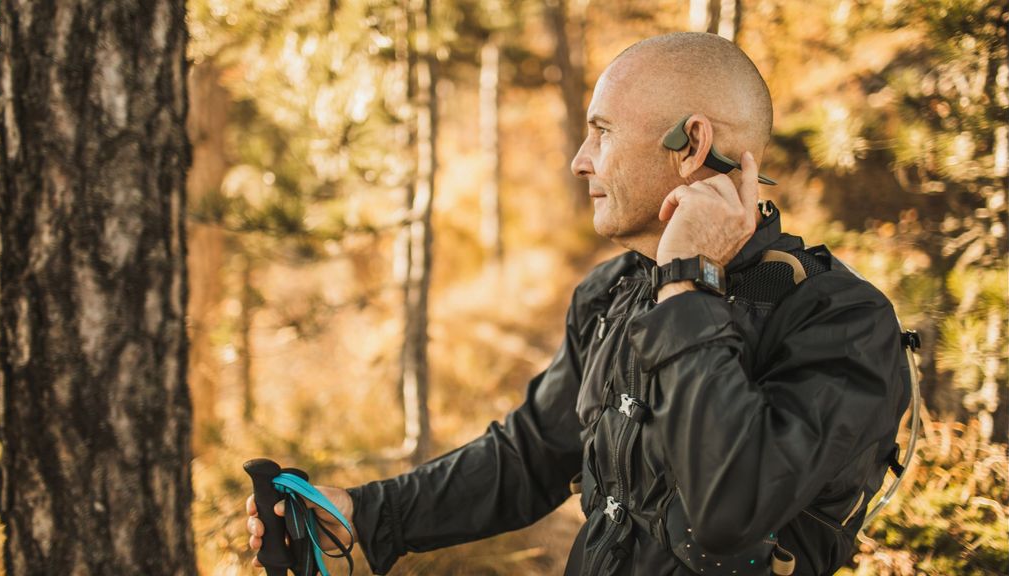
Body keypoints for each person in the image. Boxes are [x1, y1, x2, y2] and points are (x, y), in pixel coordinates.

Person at [246, 32, 910, 575]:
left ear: (693, 146)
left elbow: (728, 508)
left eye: (603, 133)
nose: (578, 160)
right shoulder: (611, 292)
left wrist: (687, 285)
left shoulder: (842, 322)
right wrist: (363, 513)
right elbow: (530, 456)